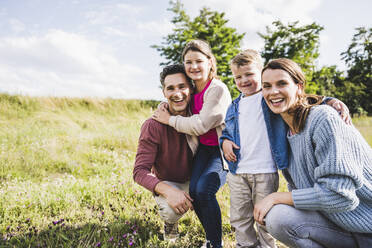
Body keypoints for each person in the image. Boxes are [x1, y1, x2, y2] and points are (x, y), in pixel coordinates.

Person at [254, 58, 372, 248]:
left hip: (367, 227)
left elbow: (340, 196)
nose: (273, 91)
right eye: (266, 86)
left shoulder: (322, 118)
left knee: (275, 208)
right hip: (336, 226)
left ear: (299, 87)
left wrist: (275, 197)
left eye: (282, 83)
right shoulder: (280, 129)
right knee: (277, 218)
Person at [153, 39, 231, 248]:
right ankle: (211, 239)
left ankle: (216, 243)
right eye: (189, 62)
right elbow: (178, 100)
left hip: (221, 149)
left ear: (210, 62)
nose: (194, 66)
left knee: (204, 190)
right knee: (195, 193)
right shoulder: (193, 88)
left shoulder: (217, 90)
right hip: (203, 150)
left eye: (199, 61)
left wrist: (168, 120)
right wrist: (165, 105)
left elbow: (201, 125)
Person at [220, 49, 279, 248]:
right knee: (240, 217)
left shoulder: (269, 98)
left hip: (265, 170)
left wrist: (330, 101)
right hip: (238, 171)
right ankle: (245, 245)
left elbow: (299, 100)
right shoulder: (234, 106)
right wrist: (225, 142)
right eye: (238, 76)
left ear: (261, 73)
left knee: (264, 217)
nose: (243, 80)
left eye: (249, 74)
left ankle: (267, 246)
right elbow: (227, 132)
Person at [133, 64, 198, 242]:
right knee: (170, 211)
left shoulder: (200, 118)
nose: (177, 93)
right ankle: (170, 224)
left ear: (191, 89)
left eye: (182, 87)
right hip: (170, 181)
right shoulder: (153, 125)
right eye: (170, 88)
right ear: (164, 92)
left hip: (198, 179)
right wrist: (169, 191)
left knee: (207, 191)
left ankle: (210, 228)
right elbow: (139, 171)